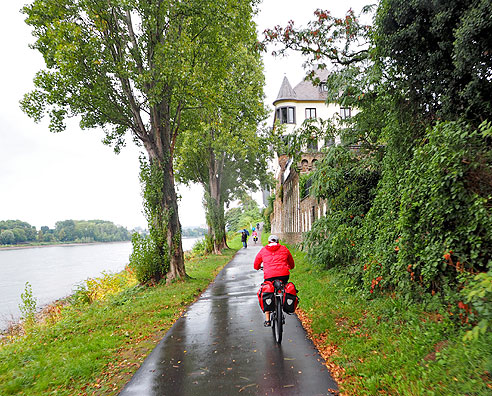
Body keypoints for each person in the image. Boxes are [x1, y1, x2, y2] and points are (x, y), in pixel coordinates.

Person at [253, 234, 295, 327]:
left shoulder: (263, 250)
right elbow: (291, 264)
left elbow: (256, 265)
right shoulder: (284, 249)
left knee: (267, 291)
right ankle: (284, 303)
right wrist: (289, 267)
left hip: (269, 276)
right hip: (283, 275)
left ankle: (267, 320)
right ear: (278, 242)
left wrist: (258, 267)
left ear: (268, 242)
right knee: (283, 287)